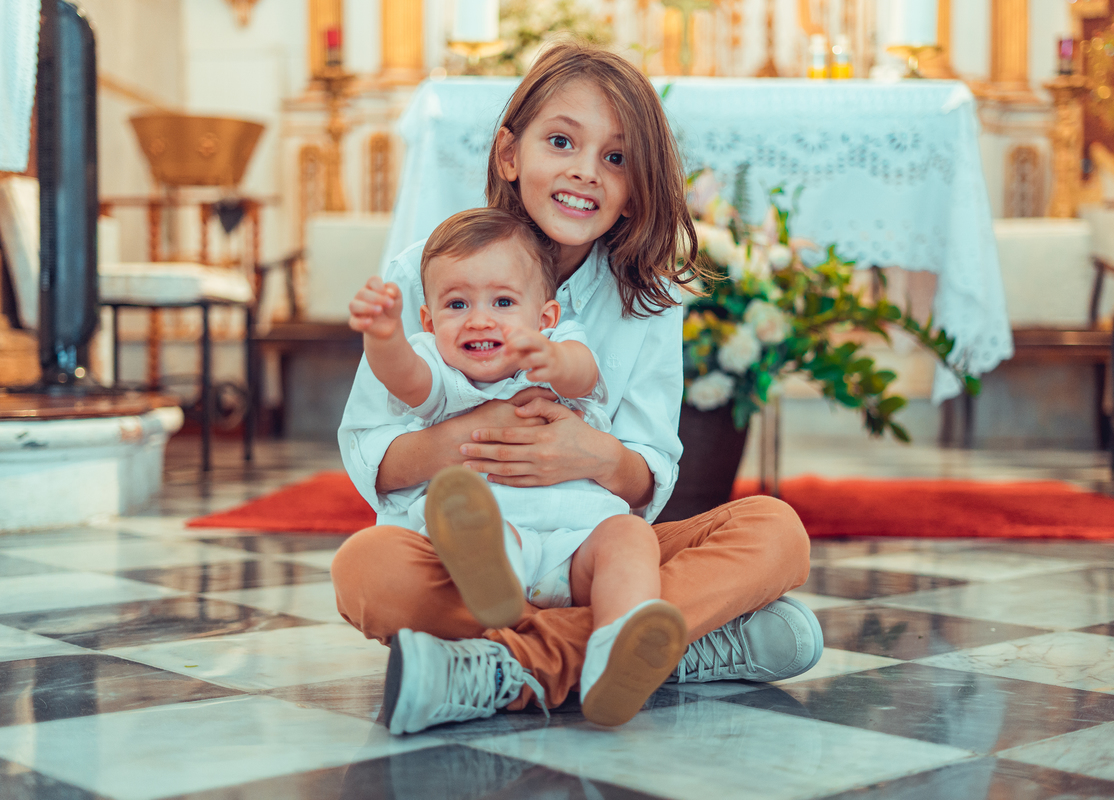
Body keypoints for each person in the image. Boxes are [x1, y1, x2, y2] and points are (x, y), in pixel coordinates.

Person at [334, 41, 823, 737]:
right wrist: (473, 436)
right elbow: (371, 451)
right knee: (366, 571)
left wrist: (589, 456)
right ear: (510, 154)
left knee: (777, 532)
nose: (584, 172)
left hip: (588, 547)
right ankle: (665, 648)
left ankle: (516, 665)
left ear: (636, 186)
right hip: (472, 557)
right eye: (561, 141)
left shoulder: (645, 303)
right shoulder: (426, 270)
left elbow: (647, 472)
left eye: (615, 157)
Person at [348, 207, 688, 726]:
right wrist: (383, 336)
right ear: (429, 321)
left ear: (546, 317)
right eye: (457, 304)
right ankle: (505, 596)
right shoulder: (443, 370)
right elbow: (407, 379)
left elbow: (582, 372)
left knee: (631, 538)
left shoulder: (560, 345)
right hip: (494, 537)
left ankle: (616, 652)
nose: (480, 318)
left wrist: (551, 360)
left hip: (578, 545)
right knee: (399, 552)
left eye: (503, 302)